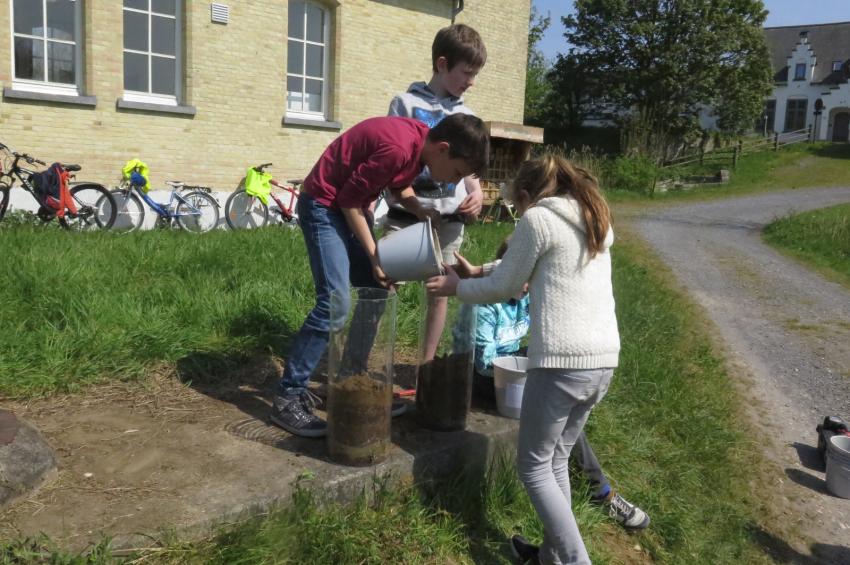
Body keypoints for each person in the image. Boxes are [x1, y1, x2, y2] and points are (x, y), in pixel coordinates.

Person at [427, 154, 624, 564]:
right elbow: (537, 265)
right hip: (602, 362)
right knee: (555, 459)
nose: (517, 217)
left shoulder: (539, 219)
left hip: (561, 364)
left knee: (533, 468)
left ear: (523, 196)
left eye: (515, 209)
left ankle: (574, 560)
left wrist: (456, 286)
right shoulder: (590, 218)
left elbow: (507, 285)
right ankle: (553, 557)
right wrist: (479, 269)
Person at [270, 113, 490, 438]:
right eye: (457, 173)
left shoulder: (419, 146)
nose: (454, 183)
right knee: (334, 303)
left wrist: (418, 208)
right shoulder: (399, 147)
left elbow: (398, 185)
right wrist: (376, 256)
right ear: (443, 149)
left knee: (378, 286)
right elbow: (348, 202)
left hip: (347, 207)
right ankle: (288, 396)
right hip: (323, 205)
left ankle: (349, 379)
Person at [460, 245, 649, 534]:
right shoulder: (486, 304)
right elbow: (484, 364)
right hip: (483, 375)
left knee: (560, 402)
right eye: (523, 278)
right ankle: (600, 493)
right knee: (554, 406)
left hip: (514, 363)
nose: (527, 287)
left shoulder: (526, 297)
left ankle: (596, 493)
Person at [385, 24, 487, 364]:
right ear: (442, 64)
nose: (471, 81)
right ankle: (358, 363)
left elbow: (470, 170)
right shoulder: (406, 103)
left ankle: (425, 368)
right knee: (384, 283)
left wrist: (477, 194)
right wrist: (413, 205)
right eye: (467, 72)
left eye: (475, 74)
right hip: (406, 216)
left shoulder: (469, 116)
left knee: (441, 290)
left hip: (449, 219)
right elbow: (393, 161)